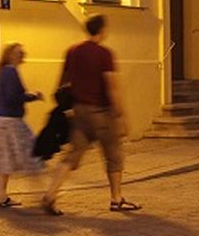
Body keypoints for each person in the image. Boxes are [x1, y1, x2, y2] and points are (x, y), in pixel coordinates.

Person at [41, 15, 140, 215]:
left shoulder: (72, 51)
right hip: (102, 112)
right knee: (113, 155)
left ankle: (51, 193)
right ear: (102, 31)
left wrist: (69, 108)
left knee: (72, 155)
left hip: (79, 112)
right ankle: (116, 198)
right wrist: (121, 116)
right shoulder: (104, 54)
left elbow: (62, 84)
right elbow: (112, 87)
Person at [0, 43, 44, 209]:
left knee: (4, 160)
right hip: (10, 121)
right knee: (32, 153)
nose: (21, 55)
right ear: (10, 55)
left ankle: (0, 196)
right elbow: (13, 96)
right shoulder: (10, 71)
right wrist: (32, 96)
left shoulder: (3, 72)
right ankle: (41, 194)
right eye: (17, 53)